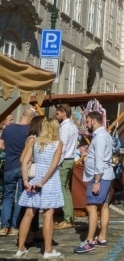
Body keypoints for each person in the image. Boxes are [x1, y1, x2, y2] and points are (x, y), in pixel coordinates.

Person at [15, 118, 64, 259]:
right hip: (50, 180)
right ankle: (48, 250)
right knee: (48, 215)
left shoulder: (35, 142)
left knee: (28, 214)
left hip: (35, 178)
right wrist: (43, 181)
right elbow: (54, 165)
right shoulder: (57, 144)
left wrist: (25, 180)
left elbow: (24, 161)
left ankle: (20, 248)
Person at [74, 111, 116, 254]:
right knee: (104, 206)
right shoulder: (103, 135)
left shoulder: (99, 138)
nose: (86, 124)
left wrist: (97, 180)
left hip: (100, 175)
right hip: (105, 174)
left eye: (87, 121)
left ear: (93, 120)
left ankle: (90, 240)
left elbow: (99, 160)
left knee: (91, 207)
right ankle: (101, 237)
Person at [0, 108, 35, 236]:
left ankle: (4, 226)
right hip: (22, 166)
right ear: (31, 118)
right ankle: (14, 226)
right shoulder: (29, 131)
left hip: (9, 165)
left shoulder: (8, 128)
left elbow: (1, 146)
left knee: (7, 196)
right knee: (20, 196)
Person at [18, 115, 45, 243]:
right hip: (30, 176)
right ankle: (27, 235)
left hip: (33, 176)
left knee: (34, 206)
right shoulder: (33, 139)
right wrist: (34, 159)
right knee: (29, 207)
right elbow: (23, 158)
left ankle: (33, 232)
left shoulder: (36, 139)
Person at [54, 104, 79, 230]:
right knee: (65, 189)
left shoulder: (65, 128)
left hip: (64, 160)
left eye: (57, 113)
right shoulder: (73, 126)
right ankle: (68, 217)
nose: (56, 115)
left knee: (62, 189)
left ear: (63, 113)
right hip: (70, 159)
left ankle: (68, 218)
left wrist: (56, 163)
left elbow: (61, 148)